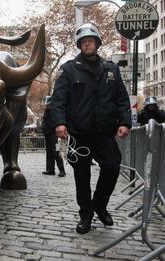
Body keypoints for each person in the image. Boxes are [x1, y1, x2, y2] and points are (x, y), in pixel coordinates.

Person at [51, 23, 131, 234]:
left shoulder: (111, 69)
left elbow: (122, 99)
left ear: (97, 43)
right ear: (80, 45)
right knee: (82, 176)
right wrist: (60, 123)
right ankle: (85, 214)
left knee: (113, 166)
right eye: (84, 41)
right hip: (79, 134)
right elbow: (58, 100)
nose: (87, 44)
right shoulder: (69, 69)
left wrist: (125, 122)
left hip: (104, 132)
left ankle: (100, 204)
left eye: (91, 40)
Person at [41, 96, 66, 177]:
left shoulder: (54, 111)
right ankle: (50, 169)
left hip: (53, 134)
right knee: (49, 153)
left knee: (56, 152)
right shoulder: (47, 111)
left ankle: (62, 170)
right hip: (48, 133)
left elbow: (56, 122)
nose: (46, 105)